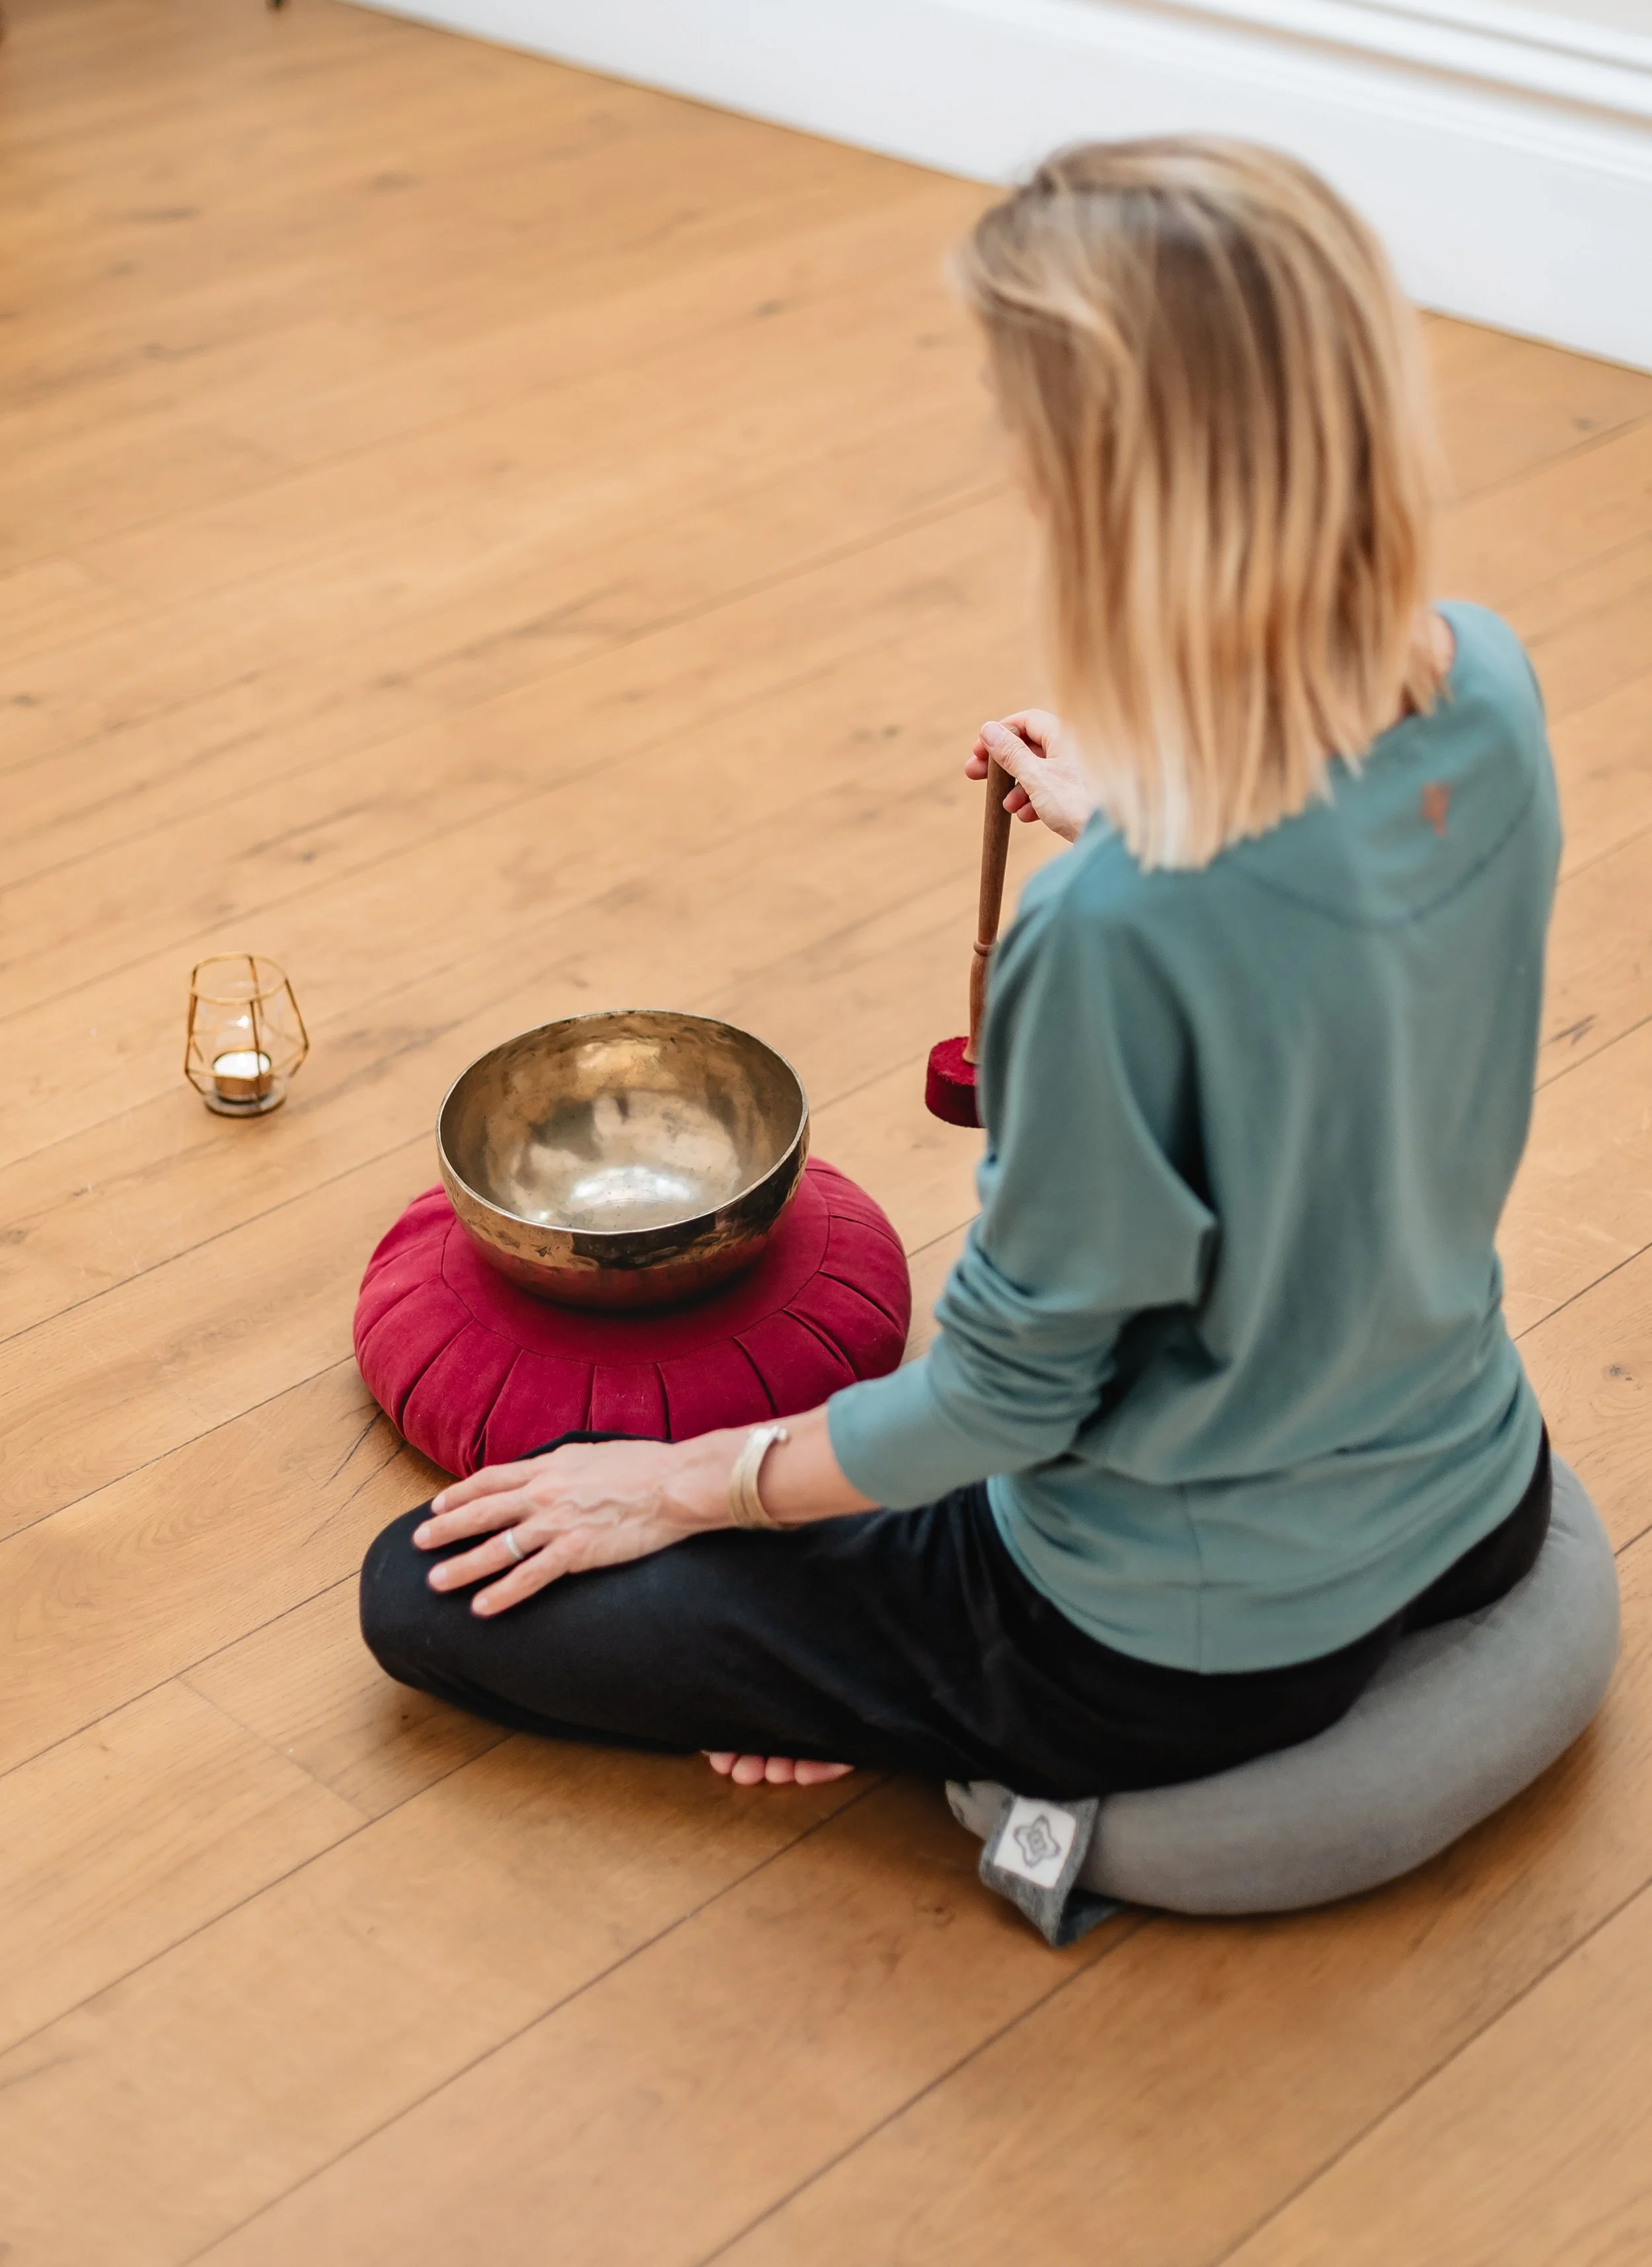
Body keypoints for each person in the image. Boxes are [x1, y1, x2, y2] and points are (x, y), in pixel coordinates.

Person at [360, 137, 1558, 1802]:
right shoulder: (1484, 690)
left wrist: (688, 1485)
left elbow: (1002, 1405)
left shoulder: (1116, 935)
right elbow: (1328, 948)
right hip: (1470, 1492)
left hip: (1173, 1642)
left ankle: (897, 1698)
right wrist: (1144, 818)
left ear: (1107, 487)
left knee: (425, 1594)